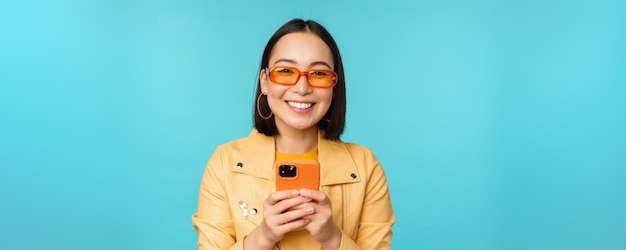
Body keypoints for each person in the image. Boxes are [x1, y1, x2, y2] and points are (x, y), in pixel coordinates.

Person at [191, 18, 395, 250]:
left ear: (333, 87)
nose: (302, 87)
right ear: (265, 83)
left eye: (319, 73)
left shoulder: (364, 166)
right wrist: (263, 237)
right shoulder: (224, 163)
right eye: (286, 71)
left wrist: (331, 237)